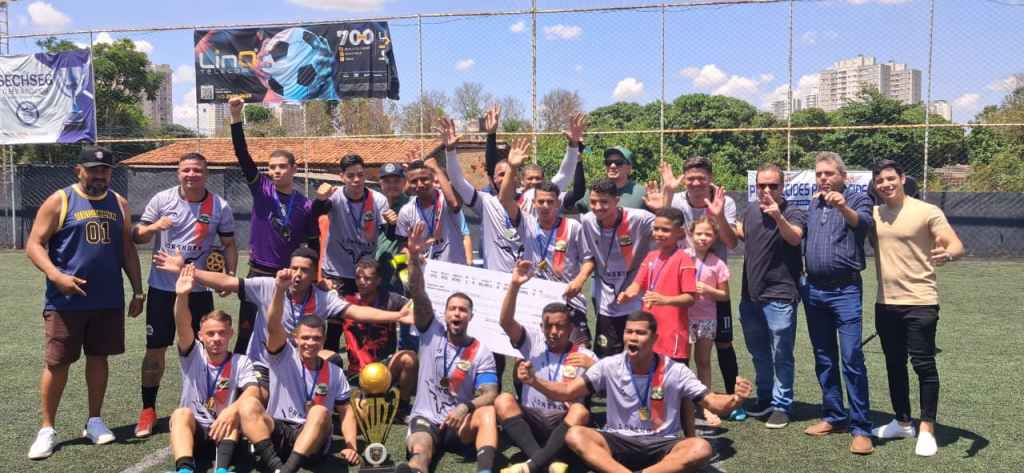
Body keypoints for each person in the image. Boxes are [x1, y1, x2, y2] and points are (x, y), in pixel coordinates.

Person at [517, 311, 754, 473]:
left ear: (654, 338)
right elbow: (568, 391)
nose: (632, 337)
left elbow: (713, 403)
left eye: (640, 333)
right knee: (575, 435)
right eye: (629, 332)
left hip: (661, 443)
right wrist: (534, 381)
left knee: (700, 448)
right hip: (618, 440)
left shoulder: (676, 370)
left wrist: (735, 399)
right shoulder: (609, 366)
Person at [26, 147, 145, 460]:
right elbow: (34, 244)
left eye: (104, 170)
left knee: (99, 358)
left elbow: (127, 249)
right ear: (79, 170)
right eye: (92, 169)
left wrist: (138, 290)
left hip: (107, 299)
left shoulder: (119, 203)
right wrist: (57, 276)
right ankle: (47, 429)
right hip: (65, 301)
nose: (98, 175)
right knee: (57, 363)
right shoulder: (60, 200)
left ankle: (94, 421)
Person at [154, 248, 408, 370]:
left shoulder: (322, 298)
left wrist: (397, 315)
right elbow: (226, 282)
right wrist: (186, 270)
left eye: (305, 270)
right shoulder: (267, 285)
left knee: (332, 359)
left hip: (299, 363)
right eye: (294, 268)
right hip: (263, 363)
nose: (297, 274)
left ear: (314, 275)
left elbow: (357, 312)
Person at [132, 152, 238, 438]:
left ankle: (204, 405)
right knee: (155, 350)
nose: (192, 175)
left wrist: (229, 276)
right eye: (186, 170)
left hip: (199, 290)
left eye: (197, 170)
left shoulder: (220, 206)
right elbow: (138, 235)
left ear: (206, 173)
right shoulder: (162, 200)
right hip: (162, 290)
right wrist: (154, 227)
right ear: (178, 173)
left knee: (205, 351)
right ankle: (148, 409)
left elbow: (229, 244)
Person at [869, 159, 964, 457]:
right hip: (886, 303)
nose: (886, 184)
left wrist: (948, 254)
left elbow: (956, 245)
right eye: (880, 180)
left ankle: (927, 429)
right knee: (894, 364)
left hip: (921, 302)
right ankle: (902, 422)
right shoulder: (874, 214)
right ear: (874, 185)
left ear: (902, 178)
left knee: (923, 365)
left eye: (890, 178)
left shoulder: (927, 211)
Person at [397, 222, 500, 473]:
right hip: (426, 418)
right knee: (421, 449)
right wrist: (413, 258)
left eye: (463, 310)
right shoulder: (431, 331)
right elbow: (418, 292)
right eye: (452, 308)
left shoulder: (481, 351)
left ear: (471, 317)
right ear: (444, 314)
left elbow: (491, 392)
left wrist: (465, 407)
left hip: (458, 422)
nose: (457, 313)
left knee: (488, 413)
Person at [237, 268, 361, 472]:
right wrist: (279, 290)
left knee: (319, 411)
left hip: (313, 439)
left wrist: (351, 445)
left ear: (324, 340)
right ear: (295, 338)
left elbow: (346, 412)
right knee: (249, 404)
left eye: (316, 338)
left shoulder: (335, 372)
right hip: (281, 430)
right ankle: (277, 467)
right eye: (305, 338)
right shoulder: (282, 355)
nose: (310, 343)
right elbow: (273, 325)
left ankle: (287, 470)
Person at [799, 152, 875, 454]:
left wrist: (843, 207)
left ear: (843, 176)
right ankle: (834, 416)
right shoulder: (814, 203)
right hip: (814, 291)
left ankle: (861, 428)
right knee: (824, 358)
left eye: (829, 173)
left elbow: (863, 223)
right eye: (819, 173)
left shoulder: (857, 199)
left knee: (852, 357)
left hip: (845, 291)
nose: (823, 178)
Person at [229, 97, 317, 356]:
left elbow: (312, 245)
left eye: (282, 167)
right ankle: (240, 378)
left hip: (287, 276)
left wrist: (316, 278)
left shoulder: (305, 205)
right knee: (246, 333)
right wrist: (236, 117)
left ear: (294, 168)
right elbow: (242, 156)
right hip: (258, 272)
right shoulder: (262, 189)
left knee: (284, 333)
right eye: (272, 167)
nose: (276, 171)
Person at [662, 156, 743, 421]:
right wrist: (667, 192)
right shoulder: (676, 200)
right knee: (679, 348)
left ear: (710, 178)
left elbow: (731, 243)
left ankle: (731, 400)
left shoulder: (724, 201)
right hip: (683, 288)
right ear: (685, 179)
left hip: (713, 283)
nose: (696, 183)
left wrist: (718, 216)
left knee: (723, 344)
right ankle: (682, 401)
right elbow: (662, 225)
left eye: (701, 178)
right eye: (691, 178)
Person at [496, 261, 596, 473]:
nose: (553, 332)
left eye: (560, 326)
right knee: (503, 400)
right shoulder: (532, 342)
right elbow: (505, 322)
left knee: (579, 411)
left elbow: (610, 387)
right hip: (532, 419)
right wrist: (515, 285)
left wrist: (595, 366)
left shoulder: (585, 356)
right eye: (549, 326)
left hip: (563, 422)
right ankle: (545, 462)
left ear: (570, 328)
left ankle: (531, 465)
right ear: (541, 327)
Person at [735, 163, 806, 429]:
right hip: (750, 295)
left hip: (780, 294)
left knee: (781, 354)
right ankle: (765, 397)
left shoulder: (793, 211)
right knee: (758, 352)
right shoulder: (751, 210)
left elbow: (795, 238)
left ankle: (782, 405)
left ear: (782, 186)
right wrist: (718, 216)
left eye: (772, 186)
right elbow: (741, 234)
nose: (766, 190)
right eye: (761, 185)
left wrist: (778, 217)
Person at [168, 265, 259, 473]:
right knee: (180, 414)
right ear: (200, 336)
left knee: (234, 413)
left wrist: (231, 411)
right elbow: (183, 326)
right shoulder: (193, 353)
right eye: (210, 334)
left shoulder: (241, 361)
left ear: (231, 334)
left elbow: (253, 391)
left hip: (225, 434)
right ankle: (184, 470)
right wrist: (182, 296)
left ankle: (222, 470)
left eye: (221, 333)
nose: (216, 338)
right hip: (195, 433)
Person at [499, 145, 591, 346]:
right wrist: (512, 168)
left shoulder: (573, 227)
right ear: (534, 203)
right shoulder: (526, 224)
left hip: (569, 301)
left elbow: (588, 259)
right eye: (541, 202)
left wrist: (580, 280)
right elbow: (505, 199)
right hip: (534, 302)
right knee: (529, 354)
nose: (545, 206)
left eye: (550, 202)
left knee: (579, 353)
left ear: (558, 203)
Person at [578, 179, 665, 358]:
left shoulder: (640, 218)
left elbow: (670, 233)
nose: (597, 207)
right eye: (593, 202)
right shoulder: (587, 221)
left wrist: (661, 210)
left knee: (638, 354)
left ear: (616, 201)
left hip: (636, 297)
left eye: (604, 202)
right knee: (605, 356)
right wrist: (580, 279)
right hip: (607, 300)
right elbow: (589, 257)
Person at [440, 116, 524, 273]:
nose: (505, 178)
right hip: (495, 280)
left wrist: (572, 147)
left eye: (509, 173)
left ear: (517, 177)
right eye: (501, 174)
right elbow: (458, 181)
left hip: (528, 279)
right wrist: (450, 151)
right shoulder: (486, 202)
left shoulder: (532, 200)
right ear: (493, 180)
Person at [616, 207, 698, 364]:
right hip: (649, 334)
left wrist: (665, 300)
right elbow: (636, 285)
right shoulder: (650, 256)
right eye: (656, 229)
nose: (659, 233)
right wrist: (627, 294)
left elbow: (690, 298)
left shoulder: (684, 259)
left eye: (665, 230)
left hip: (672, 335)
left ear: (680, 233)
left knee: (672, 377)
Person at [479, 105, 586, 215]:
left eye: (538, 178)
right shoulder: (510, 196)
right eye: (530, 178)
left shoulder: (547, 192)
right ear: (521, 180)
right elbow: (492, 170)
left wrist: (573, 145)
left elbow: (564, 174)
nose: (534, 182)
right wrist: (491, 135)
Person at [341, 257, 418, 411]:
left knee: (409, 358)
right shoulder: (346, 302)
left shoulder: (391, 300)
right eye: (358, 278)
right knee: (363, 413)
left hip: (385, 367)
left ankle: (402, 406)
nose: (361, 282)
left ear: (378, 280)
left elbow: (415, 305)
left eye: (367, 278)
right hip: (357, 372)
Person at [683, 216, 732, 428]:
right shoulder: (682, 257)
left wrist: (709, 290)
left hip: (706, 319)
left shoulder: (718, 263)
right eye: (699, 234)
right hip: (683, 317)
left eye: (708, 234)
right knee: (682, 363)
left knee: (703, 362)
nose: (703, 238)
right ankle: (682, 403)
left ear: (715, 238)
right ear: (690, 235)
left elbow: (725, 295)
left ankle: (705, 406)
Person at [395, 160, 467, 265]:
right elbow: (403, 245)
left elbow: (455, 204)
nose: (420, 184)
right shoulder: (406, 211)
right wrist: (412, 255)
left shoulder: (447, 199)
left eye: (424, 179)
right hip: (424, 270)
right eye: (414, 181)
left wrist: (437, 169)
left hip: (453, 269)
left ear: (433, 178)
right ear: (409, 183)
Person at [573, 146, 647, 212]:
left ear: (629, 168)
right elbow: (571, 210)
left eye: (619, 162)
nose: (612, 166)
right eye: (608, 162)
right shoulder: (594, 192)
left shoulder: (641, 193)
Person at [374, 162, 411, 290]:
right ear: (380, 183)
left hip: (400, 264)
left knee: (402, 295)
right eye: (387, 181)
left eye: (396, 181)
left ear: (404, 182)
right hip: (374, 266)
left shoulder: (411, 205)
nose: (392, 185)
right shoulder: (374, 204)